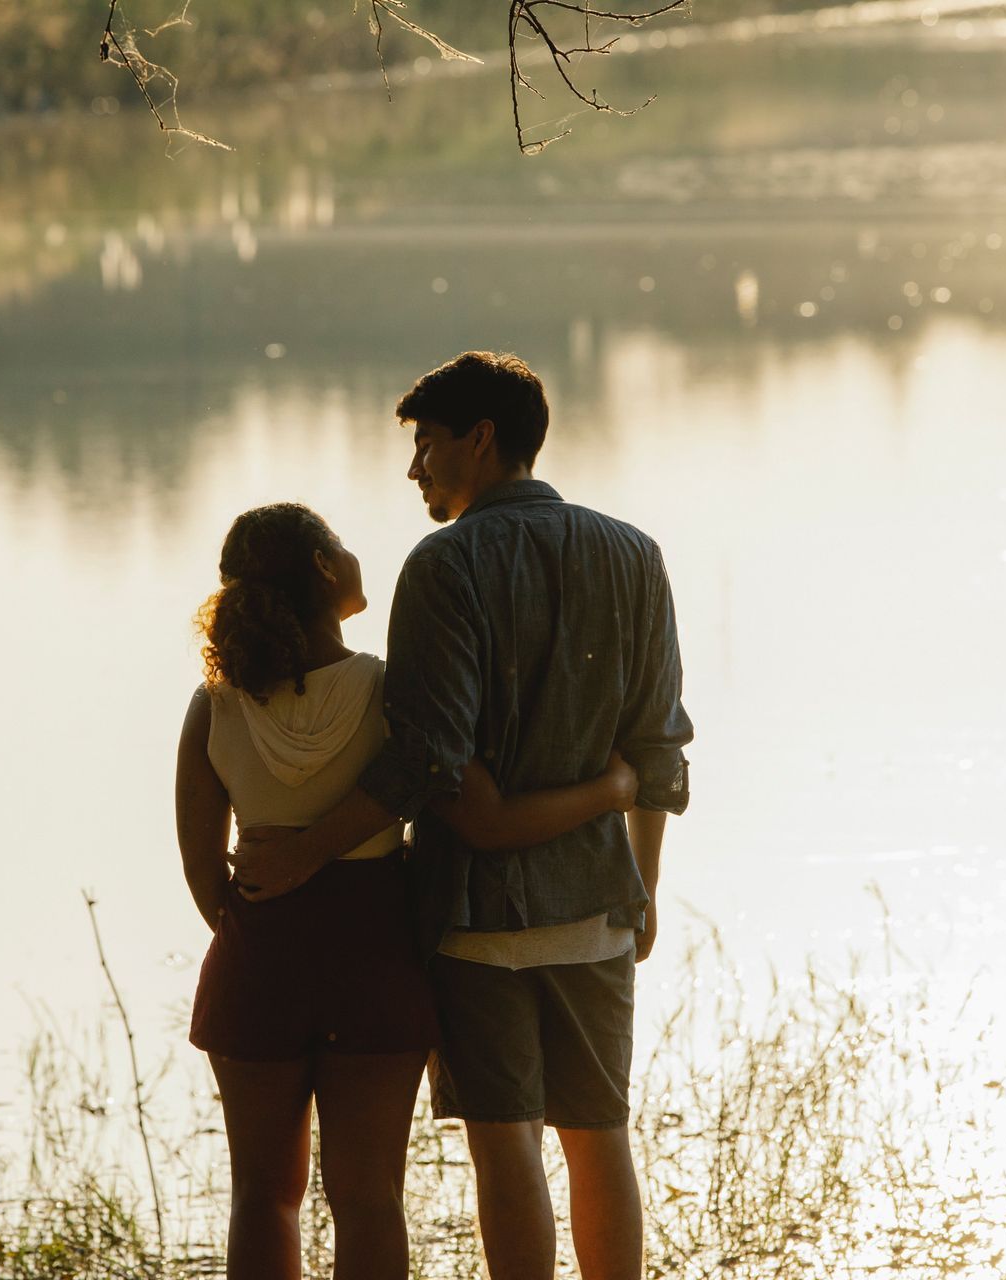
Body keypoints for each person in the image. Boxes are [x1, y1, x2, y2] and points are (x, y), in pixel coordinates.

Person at [231, 352, 693, 1280]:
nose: (416, 470)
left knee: (507, 1143)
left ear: (481, 440)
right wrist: (643, 886)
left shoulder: (444, 566)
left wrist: (306, 854)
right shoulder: (636, 553)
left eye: (427, 445)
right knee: (602, 1139)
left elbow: (427, 761)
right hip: (600, 904)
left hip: (476, 921)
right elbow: (658, 754)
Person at [176, 500, 641, 1280]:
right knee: (368, 1197)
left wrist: (260, 925)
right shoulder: (388, 693)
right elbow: (435, 789)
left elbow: (200, 869)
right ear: (326, 569)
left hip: (258, 956)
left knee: (262, 1195)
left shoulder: (213, 705)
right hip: (375, 962)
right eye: (343, 545)